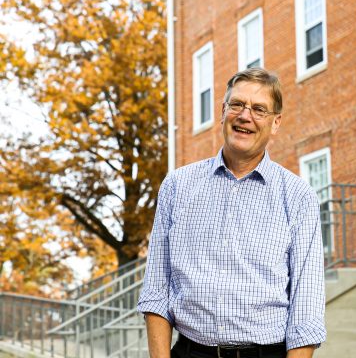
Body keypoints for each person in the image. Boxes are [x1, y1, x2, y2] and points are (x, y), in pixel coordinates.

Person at [138, 68, 326, 358]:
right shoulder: (177, 186)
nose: (245, 116)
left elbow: (306, 309)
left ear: (275, 123)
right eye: (237, 104)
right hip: (190, 352)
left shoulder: (298, 197)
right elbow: (156, 292)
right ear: (223, 111)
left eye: (259, 109)